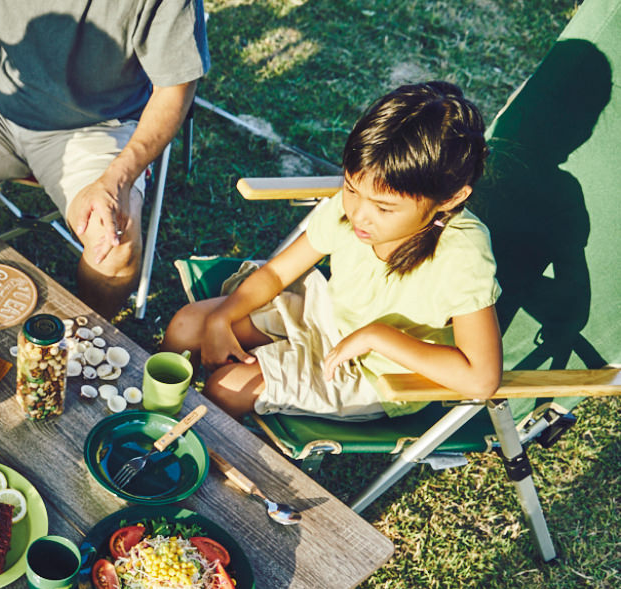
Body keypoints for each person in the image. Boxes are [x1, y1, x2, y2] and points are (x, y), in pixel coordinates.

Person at [160, 81, 503, 420]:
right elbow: (278, 272)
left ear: (450, 198)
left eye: (384, 208)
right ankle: (145, 417)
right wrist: (222, 318)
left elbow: (481, 378)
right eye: (352, 189)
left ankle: (176, 452)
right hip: (324, 317)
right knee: (187, 325)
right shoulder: (354, 206)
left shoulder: (462, 254)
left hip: (377, 371)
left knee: (226, 388)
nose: (359, 214)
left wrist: (376, 336)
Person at [0, 0, 209, 320]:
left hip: (98, 125)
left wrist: (118, 179)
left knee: (114, 243)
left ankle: (86, 340)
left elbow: (174, 90)